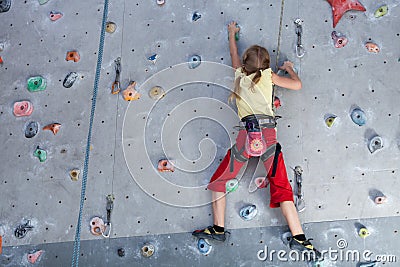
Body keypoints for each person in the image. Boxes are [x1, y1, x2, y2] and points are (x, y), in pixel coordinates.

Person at [192, 21, 320, 257]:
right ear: (266, 66)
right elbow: (297, 85)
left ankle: (218, 229)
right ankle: (300, 238)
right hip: (268, 136)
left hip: (246, 136)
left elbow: (233, 53)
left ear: (245, 64)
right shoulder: (269, 77)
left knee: (221, 180)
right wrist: (290, 68)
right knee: (281, 185)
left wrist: (231, 33)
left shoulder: (239, 74)